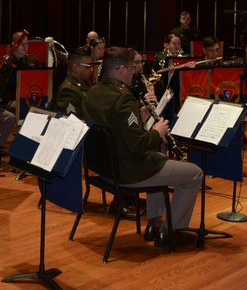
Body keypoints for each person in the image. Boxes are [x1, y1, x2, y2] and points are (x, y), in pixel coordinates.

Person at [80, 47, 203, 247]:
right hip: (127, 171)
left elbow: (116, 127)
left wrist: (139, 117)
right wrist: (157, 131)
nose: (134, 72)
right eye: (131, 67)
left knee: (161, 160)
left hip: (103, 168)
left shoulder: (93, 92)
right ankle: (170, 232)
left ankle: (155, 224)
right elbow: (137, 145)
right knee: (194, 174)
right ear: (120, 69)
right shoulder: (124, 97)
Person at [50, 46, 92, 115]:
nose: (91, 69)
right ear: (76, 67)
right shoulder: (67, 91)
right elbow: (74, 120)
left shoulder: (83, 83)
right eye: (88, 66)